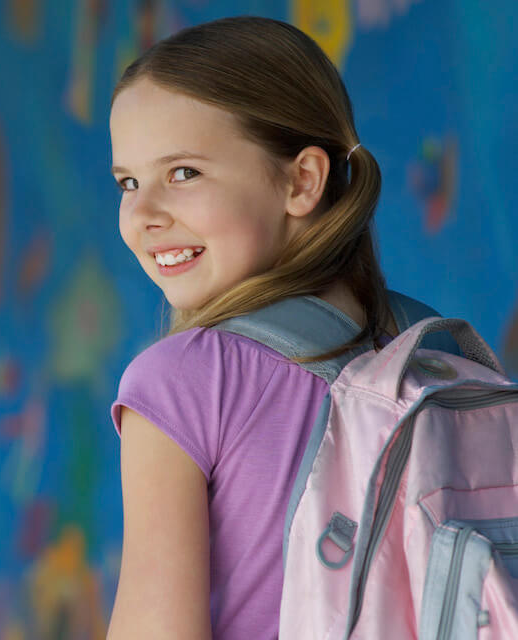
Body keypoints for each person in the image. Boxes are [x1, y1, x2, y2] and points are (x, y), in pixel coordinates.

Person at [105, 16, 409, 639]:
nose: (142, 214)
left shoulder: (184, 380)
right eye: (128, 183)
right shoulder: (440, 350)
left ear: (302, 181)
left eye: (182, 173)